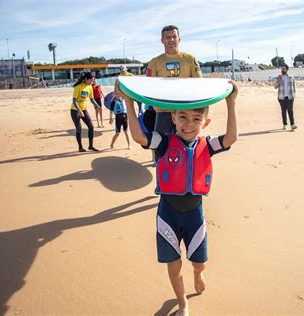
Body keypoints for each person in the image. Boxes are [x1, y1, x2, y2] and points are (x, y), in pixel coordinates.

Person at [118, 81, 238, 316]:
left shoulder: (208, 144)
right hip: (168, 215)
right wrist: (129, 101)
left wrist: (230, 102)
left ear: (205, 122)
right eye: (182, 117)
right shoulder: (163, 143)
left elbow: (231, 138)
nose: (188, 124)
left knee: (199, 262)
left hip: (195, 216)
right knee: (173, 265)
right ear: (173, 118)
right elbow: (139, 137)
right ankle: (183, 302)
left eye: (196, 118)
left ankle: (197, 272)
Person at [146, 25, 203, 137]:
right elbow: (149, 87)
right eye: (167, 37)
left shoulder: (190, 59)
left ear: (179, 39)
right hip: (163, 110)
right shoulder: (155, 62)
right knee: (159, 146)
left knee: (188, 145)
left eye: (174, 37)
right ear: (162, 40)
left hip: (186, 111)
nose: (171, 40)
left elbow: (199, 83)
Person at [70, 72, 100, 152]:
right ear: (86, 79)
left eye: (93, 80)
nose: (92, 82)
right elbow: (74, 100)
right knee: (79, 128)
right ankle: (80, 147)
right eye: (90, 80)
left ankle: (91, 146)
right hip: (75, 110)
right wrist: (79, 110)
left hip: (84, 109)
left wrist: (97, 105)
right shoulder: (78, 87)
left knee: (91, 127)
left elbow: (91, 99)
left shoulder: (90, 87)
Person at [274, 64, 297, 130]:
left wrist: (294, 95)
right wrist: (279, 80)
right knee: (283, 111)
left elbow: (294, 86)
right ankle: (284, 124)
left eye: (284, 69)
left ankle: (292, 125)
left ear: (287, 70)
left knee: (290, 110)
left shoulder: (291, 77)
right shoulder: (279, 77)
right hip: (281, 97)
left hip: (290, 97)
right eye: (282, 69)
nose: (282, 70)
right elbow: (275, 86)